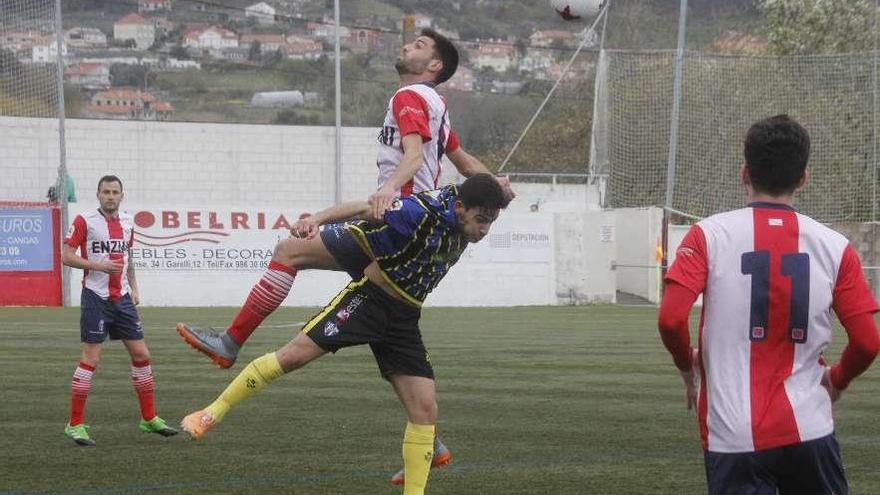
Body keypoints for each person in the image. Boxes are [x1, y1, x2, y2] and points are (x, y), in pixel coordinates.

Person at [176, 27, 513, 483]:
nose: (406, 47)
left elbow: (412, 157)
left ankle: (231, 342)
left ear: (434, 66)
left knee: (289, 251)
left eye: (418, 46)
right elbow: (465, 162)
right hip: (405, 240)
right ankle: (428, 440)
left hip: (394, 227)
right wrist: (496, 185)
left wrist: (387, 193)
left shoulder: (410, 96)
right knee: (390, 333)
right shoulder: (439, 107)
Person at [180, 173, 508, 495]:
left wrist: (506, 189)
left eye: (490, 222)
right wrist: (316, 220)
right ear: (461, 207)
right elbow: (365, 209)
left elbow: (487, 182)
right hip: (368, 302)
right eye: (480, 220)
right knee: (293, 357)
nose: (483, 230)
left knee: (426, 410)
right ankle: (211, 413)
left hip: (404, 319)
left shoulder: (470, 201)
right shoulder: (417, 213)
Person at [658, 115, 880, 494]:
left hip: (733, 436)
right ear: (803, 178)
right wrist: (837, 381)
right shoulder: (835, 247)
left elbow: (670, 318)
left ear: (744, 173)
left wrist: (687, 366)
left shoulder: (707, 235)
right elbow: (868, 342)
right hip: (811, 429)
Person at [61, 175, 178, 446]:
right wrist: (99, 266)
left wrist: (134, 288)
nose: (110, 196)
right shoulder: (84, 221)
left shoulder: (127, 222)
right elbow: (66, 256)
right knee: (91, 359)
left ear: (121, 196)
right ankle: (75, 424)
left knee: (141, 354)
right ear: (98, 194)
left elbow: (128, 258)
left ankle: (149, 418)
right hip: (95, 297)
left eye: (115, 192)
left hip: (122, 298)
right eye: (106, 192)